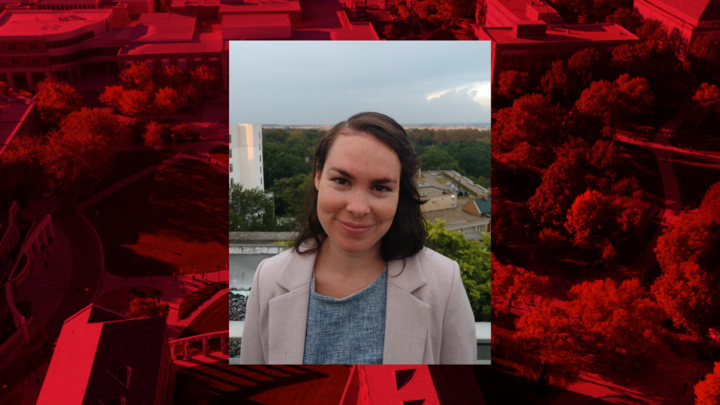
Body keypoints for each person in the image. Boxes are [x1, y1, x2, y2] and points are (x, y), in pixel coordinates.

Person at [240, 112, 476, 365]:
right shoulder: (268, 279)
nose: (358, 207)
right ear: (318, 176)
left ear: (400, 194)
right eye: (341, 180)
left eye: (380, 187)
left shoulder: (444, 283)